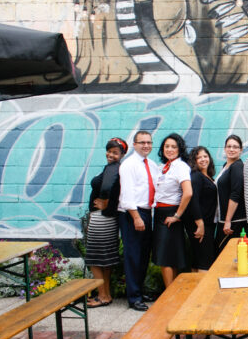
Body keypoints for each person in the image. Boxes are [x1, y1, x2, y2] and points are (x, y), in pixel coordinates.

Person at [152, 133, 201, 288]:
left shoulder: (181, 166)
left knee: (164, 257)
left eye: (174, 147)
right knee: (169, 256)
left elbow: (188, 193)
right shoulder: (164, 167)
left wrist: (176, 215)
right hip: (160, 213)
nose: (170, 149)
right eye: (167, 146)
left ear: (180, 149)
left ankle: (168, 295)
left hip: (170, 213)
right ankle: (172, 292)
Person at [118, 130, 158, 311]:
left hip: (147, 212)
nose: (146, 145)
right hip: (132, 213)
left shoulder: (151, 164)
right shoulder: (129, 165)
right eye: (142, 142)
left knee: (143, 255)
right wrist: (136, 217)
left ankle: (140, 291)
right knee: (133, 255)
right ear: (134, 144)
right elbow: (126, 194)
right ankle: (134, 297)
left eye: (149, 142)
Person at [85, 137, 128, 308]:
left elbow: (106, 187)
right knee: (106, 259)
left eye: (115, 152)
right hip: (109, 219)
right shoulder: (117, 168)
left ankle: (102, 296)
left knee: (94, 259)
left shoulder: (113, 168)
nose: (110, 155)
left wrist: (104, 202)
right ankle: (106, 294)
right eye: (109, 151)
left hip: (101, 220)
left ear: (122, 154)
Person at [184, 146, 217, 272]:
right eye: (199, 158)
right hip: (200, 225)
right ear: (194, 161)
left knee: (198, 259)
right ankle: (203, 284)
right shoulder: (196, 176)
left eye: (205, 156)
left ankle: (196, 284)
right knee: (205, 262)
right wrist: (200, 224)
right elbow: (193, 200)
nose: (203, 159)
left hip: (207, 224)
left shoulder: (207, 176)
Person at [216, 135, 247, 254]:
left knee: (228, 256)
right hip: (224, 220)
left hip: (234, 222)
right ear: (225, 149)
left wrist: (228, 220)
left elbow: (235, 194)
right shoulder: (226, 166)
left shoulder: (237, 166)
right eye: (229, 146)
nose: (231, 149)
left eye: (235, 147)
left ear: (241, 150)